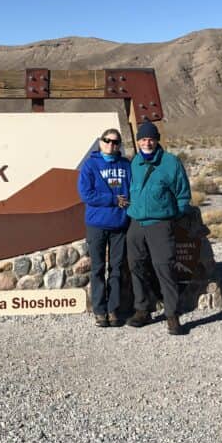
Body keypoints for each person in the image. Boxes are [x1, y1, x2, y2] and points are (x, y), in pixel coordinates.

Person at [125, 121, 192, 336]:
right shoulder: (134, 162)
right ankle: (142, 310)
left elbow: (183, 194)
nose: (147, 142)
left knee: (164, 267)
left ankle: (172, 316)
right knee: (136, 266)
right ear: (138, 142)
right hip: (136, 223)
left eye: (150, 139)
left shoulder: (170, 163)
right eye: (143, 139)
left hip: (160, 224)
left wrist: (173, 217)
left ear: (157, 140)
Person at [77, 128, 132, 327]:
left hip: (119, 224)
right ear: (100, 142)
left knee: (116, 268)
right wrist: (112, 199)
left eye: (115, 142)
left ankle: (113, 309)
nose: (111, 145)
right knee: (98, 268)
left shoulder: (126, 165)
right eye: (107, 141)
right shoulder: (90, 165)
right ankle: (99, 311)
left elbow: (131, 189)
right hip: (96, 224)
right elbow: (86, 194)